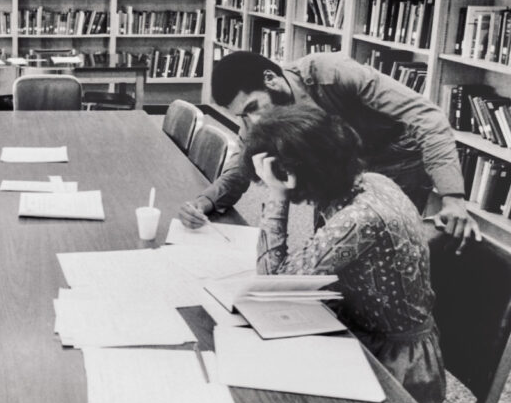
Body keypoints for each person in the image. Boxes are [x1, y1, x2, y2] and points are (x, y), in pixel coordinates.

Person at [228, 105, 446, 403]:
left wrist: (277, 197)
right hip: (362, 330)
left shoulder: (359, 218)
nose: (269, 185)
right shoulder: (371, 180)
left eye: (270, 178)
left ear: (290, 172)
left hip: (396, 367)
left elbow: (272, 287)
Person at [178, 51, 481, 252]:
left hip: (394, 157)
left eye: (253, 107)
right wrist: (206, 201)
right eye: (243, 116)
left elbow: (427, 117)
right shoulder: (258, 117)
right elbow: (244, 164)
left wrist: (452, 197)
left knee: (387, 245)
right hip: (339, 167)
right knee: (328, 248)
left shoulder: (330, 72)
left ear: (271, 79)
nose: (254, 120)